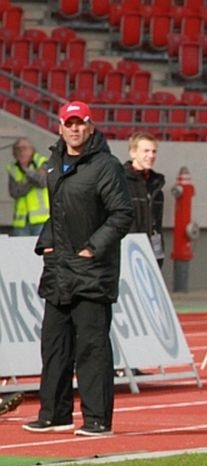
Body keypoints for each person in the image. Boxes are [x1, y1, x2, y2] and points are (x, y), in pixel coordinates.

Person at [21, 101, 134, 437]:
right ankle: (54, 414)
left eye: (80, 123)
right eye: (68, 124)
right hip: (58, 268)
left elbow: (122, 214)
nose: (74, 129)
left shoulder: (106, 166)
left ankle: (97, 419)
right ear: (60, 127)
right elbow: (57, 212)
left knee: (91, 347)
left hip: (91, 269)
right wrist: (47, 242)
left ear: (90, 127)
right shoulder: (54, 163)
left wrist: (92, 249)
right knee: (54, 344)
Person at [123, 131, 166, 267]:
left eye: (154, 151)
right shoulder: (120, 182)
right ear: (133, 153)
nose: (151, 156)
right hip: (128, 252)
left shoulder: (156, 186)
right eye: (146, 151)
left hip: (152, 253)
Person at [6, 137, 50, 236]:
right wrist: (34, 176)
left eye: (24, 148)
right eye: (18, 149)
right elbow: (14, 192)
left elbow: (43, 182)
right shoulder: (13, 168)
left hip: (41, 219)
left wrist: (26, 171)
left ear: (32, 150)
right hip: (21, 221)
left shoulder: (42, 163)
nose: (21, 152)